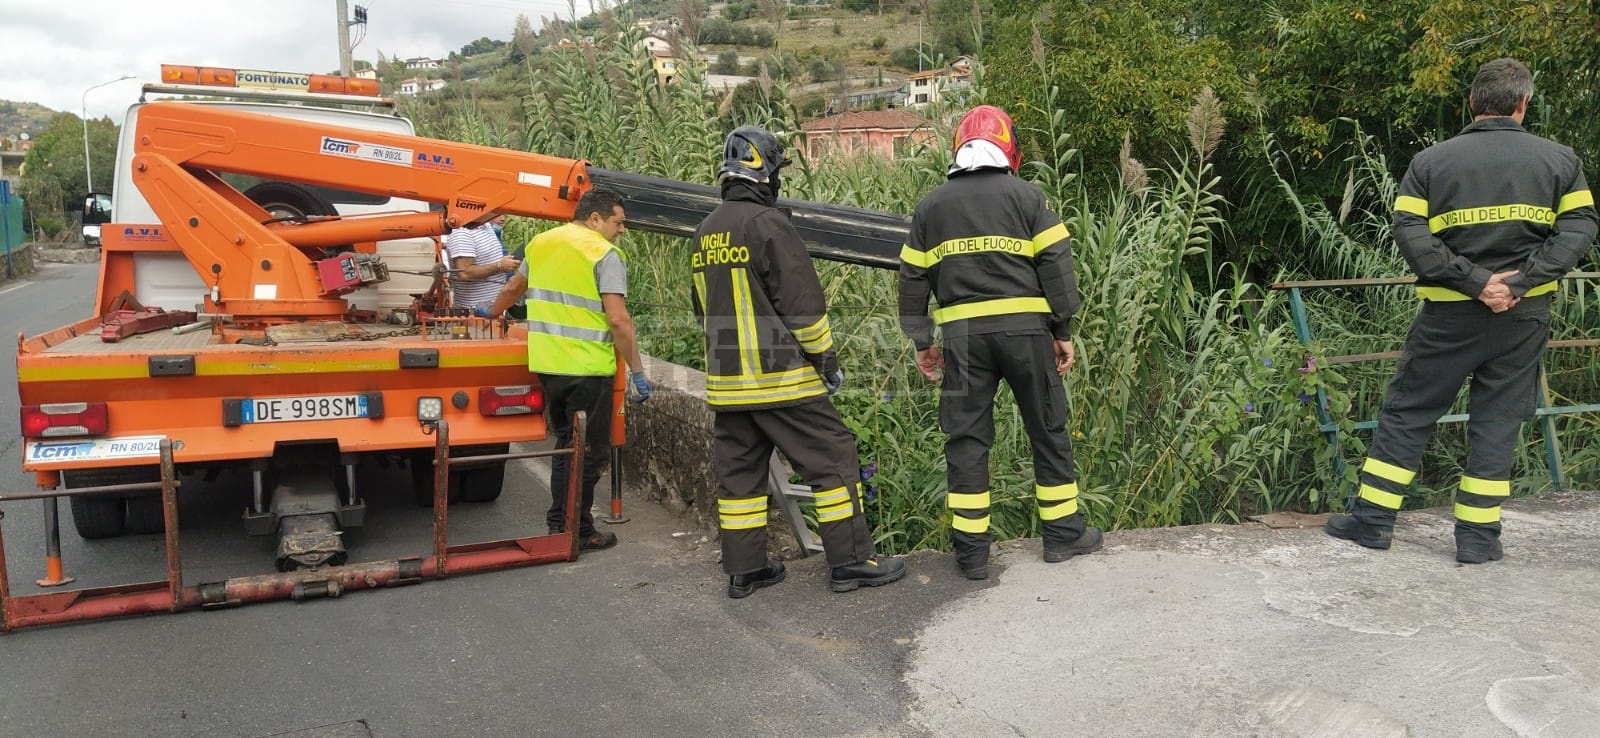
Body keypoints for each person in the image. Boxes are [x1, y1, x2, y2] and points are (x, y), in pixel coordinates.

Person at [1325, 57, 1597, 564]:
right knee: (1499, 421)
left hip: (1449, 317)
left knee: (1410, 411)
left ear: (1472, 103)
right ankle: (1477, 539)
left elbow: (1411, 236)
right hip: (1523, 315)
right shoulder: (1560, 161)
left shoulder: (1431, 163)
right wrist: (1520, 282)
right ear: (1523, 103)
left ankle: (1373, 522)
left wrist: (1475, 283)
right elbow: (1580, 229)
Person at [691, 125, 907, 599]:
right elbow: (803, 307)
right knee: (832, 457)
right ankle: (850, 561)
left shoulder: (703, 233)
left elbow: (701, 310)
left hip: (728, 385)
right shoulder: (770, 226)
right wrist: (827, 363)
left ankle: (744, 570)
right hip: (781, 378)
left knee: (741, 477)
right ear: (765, 173)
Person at [898, 105, 1103, 581]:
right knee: (1047, 428)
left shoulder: (931, 207)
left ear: (959, 150)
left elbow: (911, 279)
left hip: (962, 343)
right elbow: (1057, 266)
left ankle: (972, 555)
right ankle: (1061, 536)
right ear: (1009, 150)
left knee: (966, 440)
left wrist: (922, 342)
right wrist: (1063, 330)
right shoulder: (1028, 197)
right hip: (1027, 336)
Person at [486, 188, 653, 551]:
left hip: (549, 366)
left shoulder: (541, 243)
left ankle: (561, 525)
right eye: (618, 222)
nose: (621, 230)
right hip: (588, 368)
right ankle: (576, 530)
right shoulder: (605, 253)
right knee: (588, 452)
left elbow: (515, 286)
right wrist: (638, 371)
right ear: (595, 219)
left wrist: (490, 313)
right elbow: (619, 320)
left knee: (566, 445)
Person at [446, 213, 517, 312]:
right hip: (474, 313)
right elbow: (465, 273)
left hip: (492, 309)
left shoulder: (485, 225)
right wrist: (499, 266)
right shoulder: (461, 233)